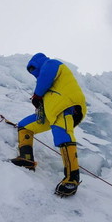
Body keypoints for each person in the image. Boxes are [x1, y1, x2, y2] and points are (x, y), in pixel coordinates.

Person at [11, 53, 87, 197]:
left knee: (62, 135)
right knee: (25, 126)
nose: (33, 72)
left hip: (66, 106)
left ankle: (72, 179)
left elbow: (46, 76)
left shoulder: (51, 64)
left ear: (38, 62)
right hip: (52, 112)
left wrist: (37, 96)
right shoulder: (47, 85)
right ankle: (26, 158)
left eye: (33, 68)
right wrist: (40, 104)